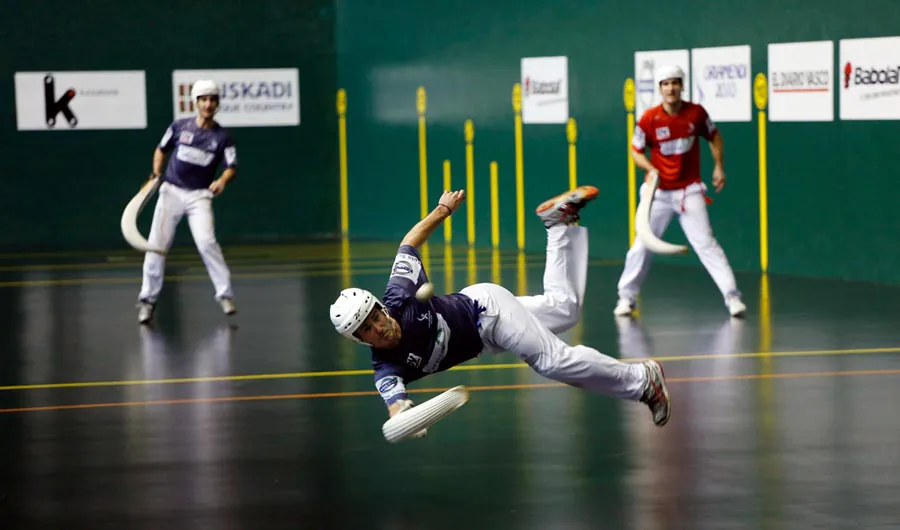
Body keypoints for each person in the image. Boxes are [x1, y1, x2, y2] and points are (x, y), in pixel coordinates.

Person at [329, 186, 671, 434]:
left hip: (485, 309)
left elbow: (409, 243)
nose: (380, 325)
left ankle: (643, 381)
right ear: (360, 339)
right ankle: (559, 225)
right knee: (565, 309)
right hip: (488, 336)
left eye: (375, 314)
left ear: (378, 305)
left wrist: (442, 210)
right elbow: (395, 402)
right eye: (369, 328)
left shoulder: (399, 295)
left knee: (552, 361)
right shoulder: (386, 369)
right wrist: (405, 415)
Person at [614, 65, 746, 318]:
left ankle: (732, 296)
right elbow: (635, 151)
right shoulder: (649, 119)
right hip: (658, 193)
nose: (670, 88)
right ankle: (626, 298)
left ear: (682, 86)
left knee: (707, 244)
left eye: (675, 83)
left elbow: (714, 135)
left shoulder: (696, 114)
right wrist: (650, 168)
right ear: (660, 88)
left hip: (689, 191)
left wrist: (719, 166)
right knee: (641, 245)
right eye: (665, 84)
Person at [136, 79, 237, 324]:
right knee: (156, 246)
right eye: (203, 100)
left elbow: (231, 166)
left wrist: (222, 181)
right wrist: (156, 174)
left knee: (207, 242)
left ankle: (225, 295)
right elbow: (161, 149)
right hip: (171, 192)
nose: (208, 104)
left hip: (199, 196)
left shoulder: (223, 137)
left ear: (217, 104)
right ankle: (147, 300)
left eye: (212, 100)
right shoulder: (179, 127)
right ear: (196, 103)